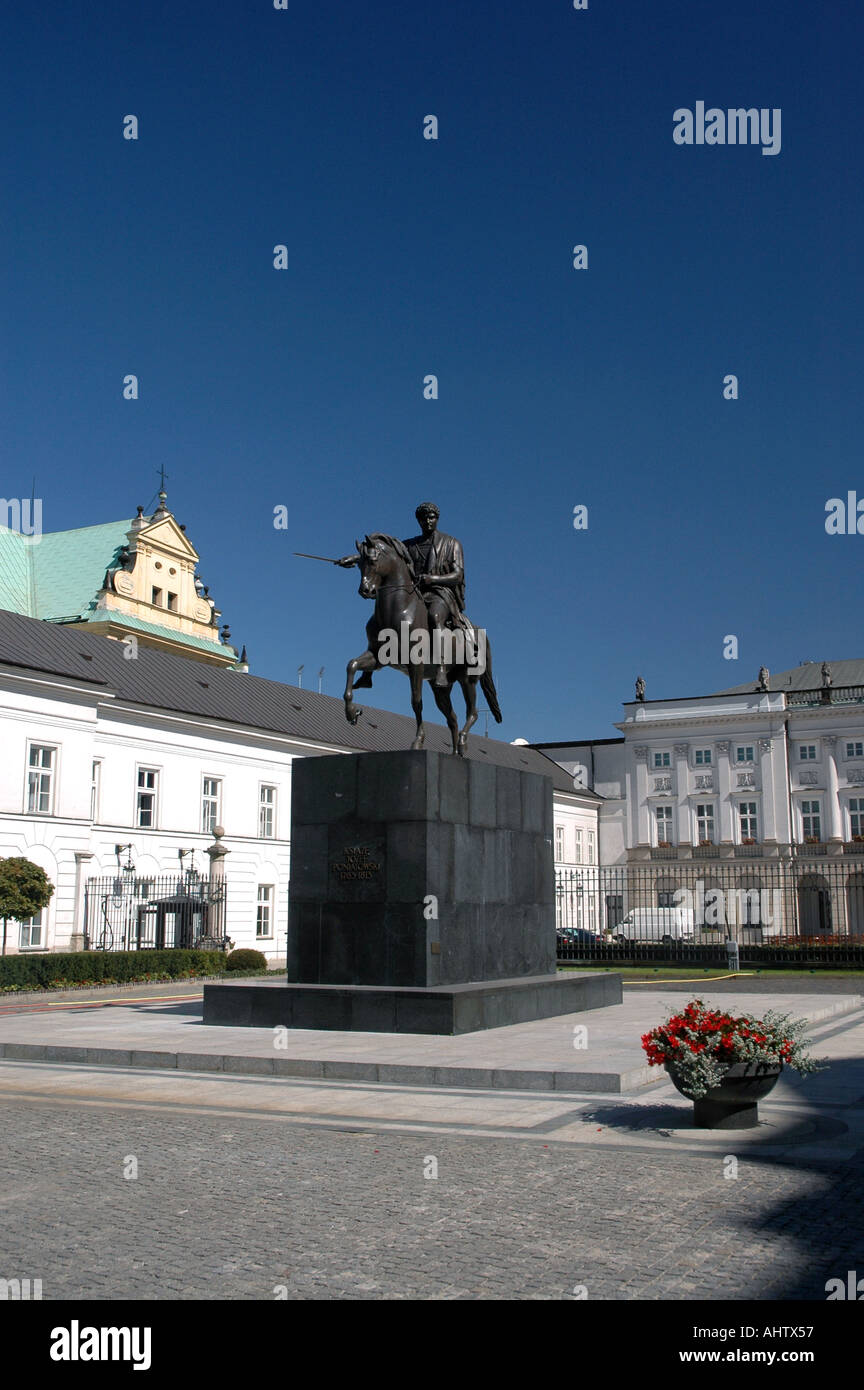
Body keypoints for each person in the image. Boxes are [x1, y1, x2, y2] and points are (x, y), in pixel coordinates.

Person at [337, 502, 465, 688]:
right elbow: (383, 556)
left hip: (439, 592)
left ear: (437, 519)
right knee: (377, 621)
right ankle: (368, 672)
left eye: (432, 517)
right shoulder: (410, 545)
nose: (428, 521)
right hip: (416, 592)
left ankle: (442, 668)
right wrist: (355, 558)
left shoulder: (452, 543)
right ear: (419, 521)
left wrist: (433, 578)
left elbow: (458, 575)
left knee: (434, 616)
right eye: (424, 518)